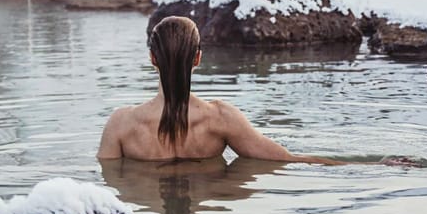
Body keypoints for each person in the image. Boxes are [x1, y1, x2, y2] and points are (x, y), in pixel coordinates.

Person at [97, 12, 343, 164]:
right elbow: (287, 160)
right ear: (197, 59)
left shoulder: (121, 124)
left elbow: (107, 178)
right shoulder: (221, 118)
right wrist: (369, 165)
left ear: (152, 58)